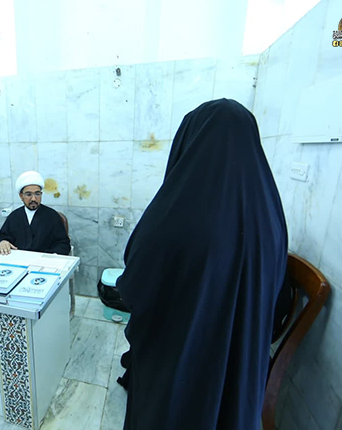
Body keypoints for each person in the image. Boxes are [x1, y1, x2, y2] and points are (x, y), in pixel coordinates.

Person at [116, 99, 288, 430]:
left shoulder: (174, 215)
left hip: (179, 377)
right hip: (242, 371)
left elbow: (134, 289)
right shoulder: (271, 215)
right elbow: (276, 300)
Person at [0, 171, 71, 256]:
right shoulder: (14, 216)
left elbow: (63, 244)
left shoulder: (52, 216)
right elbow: (2, 238)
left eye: (37, 194)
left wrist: (50, 256)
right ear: (21, 196)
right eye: (29, 194)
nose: (34, 199)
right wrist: (3, 242)